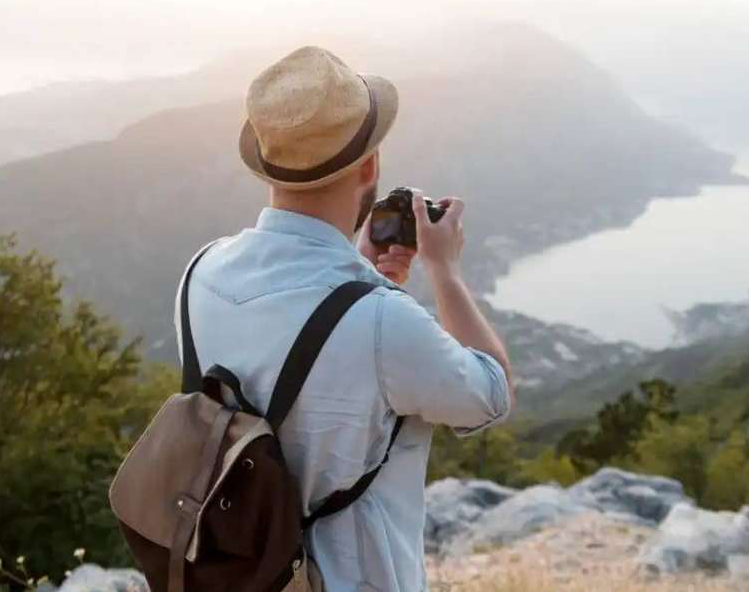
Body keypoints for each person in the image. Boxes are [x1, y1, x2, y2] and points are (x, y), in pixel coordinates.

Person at [175, 46, 514, 591]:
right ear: (371, 165)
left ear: (267, 164)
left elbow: (283, 350)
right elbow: (491, 395)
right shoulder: (381, 320)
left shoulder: (201, 272)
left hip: (232, 571)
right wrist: (444, 270)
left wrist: (357, 274)